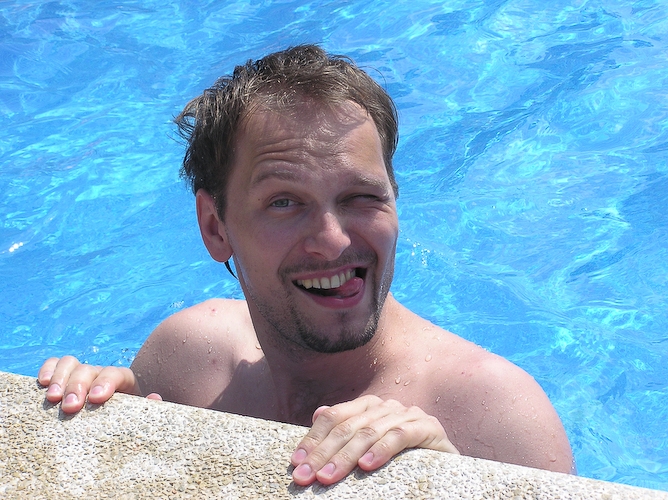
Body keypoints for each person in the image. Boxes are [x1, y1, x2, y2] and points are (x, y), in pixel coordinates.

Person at [38, 44, 573, 486]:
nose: (333, 242)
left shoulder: (497, 417)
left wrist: (448, 483)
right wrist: (101, 414)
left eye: (361, 197)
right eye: (285, 203)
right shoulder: (188, 360)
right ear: (215, 227)